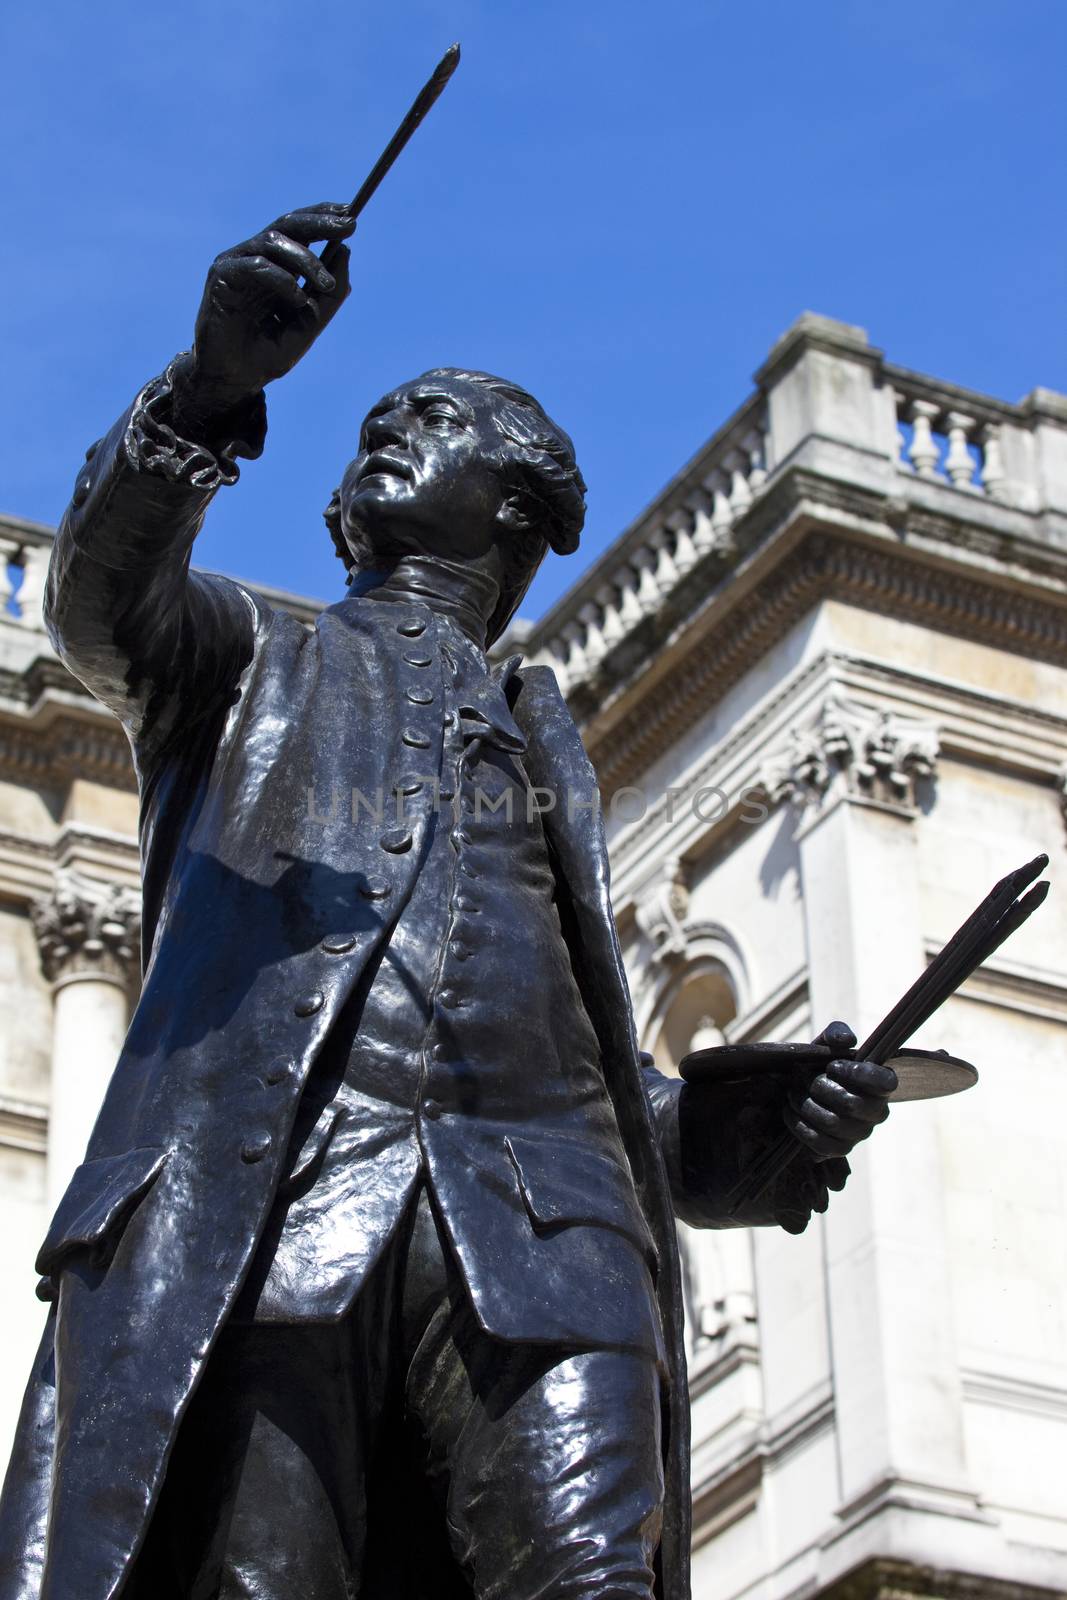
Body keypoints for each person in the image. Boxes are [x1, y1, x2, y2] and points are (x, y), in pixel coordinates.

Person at [0, 204, 897, 1600]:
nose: (382, 434)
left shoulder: (557, 757)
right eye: (369, 429)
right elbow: (102, 607)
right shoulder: (246, 662)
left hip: (553, 1252)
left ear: (524, 503)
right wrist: (211, 385)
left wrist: (747, 1131)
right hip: (279, 1225)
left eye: (431, 417)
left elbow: (571, 1064)